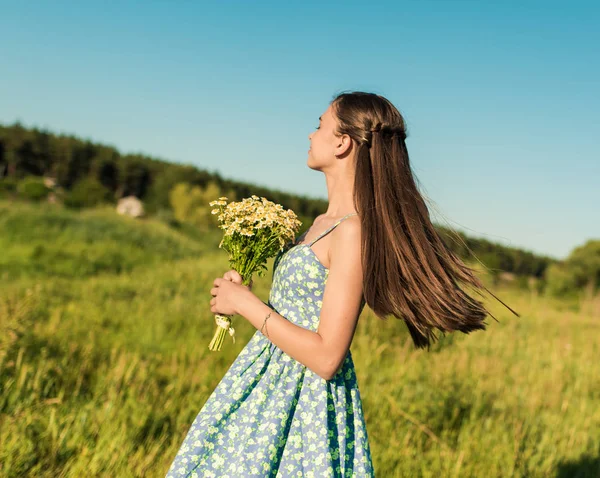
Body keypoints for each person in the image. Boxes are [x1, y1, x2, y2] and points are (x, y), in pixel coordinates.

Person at [165, 91, 519, 477]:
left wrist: (246, 303)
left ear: (342, 142)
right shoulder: (320, 224)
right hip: (267, 380)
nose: (310, 135)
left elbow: (327, 357)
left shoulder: (352, 232)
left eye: (319, 125)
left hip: (302, 401)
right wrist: (239, 290)